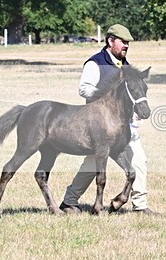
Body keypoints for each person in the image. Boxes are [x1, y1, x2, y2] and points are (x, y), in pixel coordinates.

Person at [60, 24, 158, 215]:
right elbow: (84, 89)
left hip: (123, 127)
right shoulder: (95, 63)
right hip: (97, 127)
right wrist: (104, 94)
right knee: (90, 166)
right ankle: (69, 202)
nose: (126, 46)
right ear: (110, 41)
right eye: (123, 42)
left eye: (128, 43)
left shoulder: (126, 65)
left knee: (138, 160)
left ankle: (140, 205)